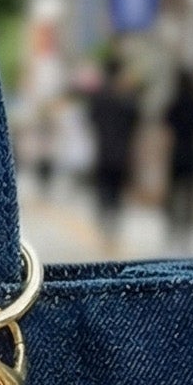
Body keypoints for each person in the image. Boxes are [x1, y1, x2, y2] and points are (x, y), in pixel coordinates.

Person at [83, 53, 141, 246]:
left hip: (103, 150)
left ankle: (103, 220)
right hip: (122, 151)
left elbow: (91, 119)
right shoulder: (125, 97)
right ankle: (112, 223)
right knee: (116, 189)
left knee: (104, 187)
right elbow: (135, 118)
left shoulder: (99, 96)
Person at [162, 66, 193, 251]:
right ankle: (186, 232)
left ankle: (171, 228)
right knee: (189, 195)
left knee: (173, 193)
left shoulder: (175, 103)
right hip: (192, 154)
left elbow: (165, 122)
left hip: (176, 153)